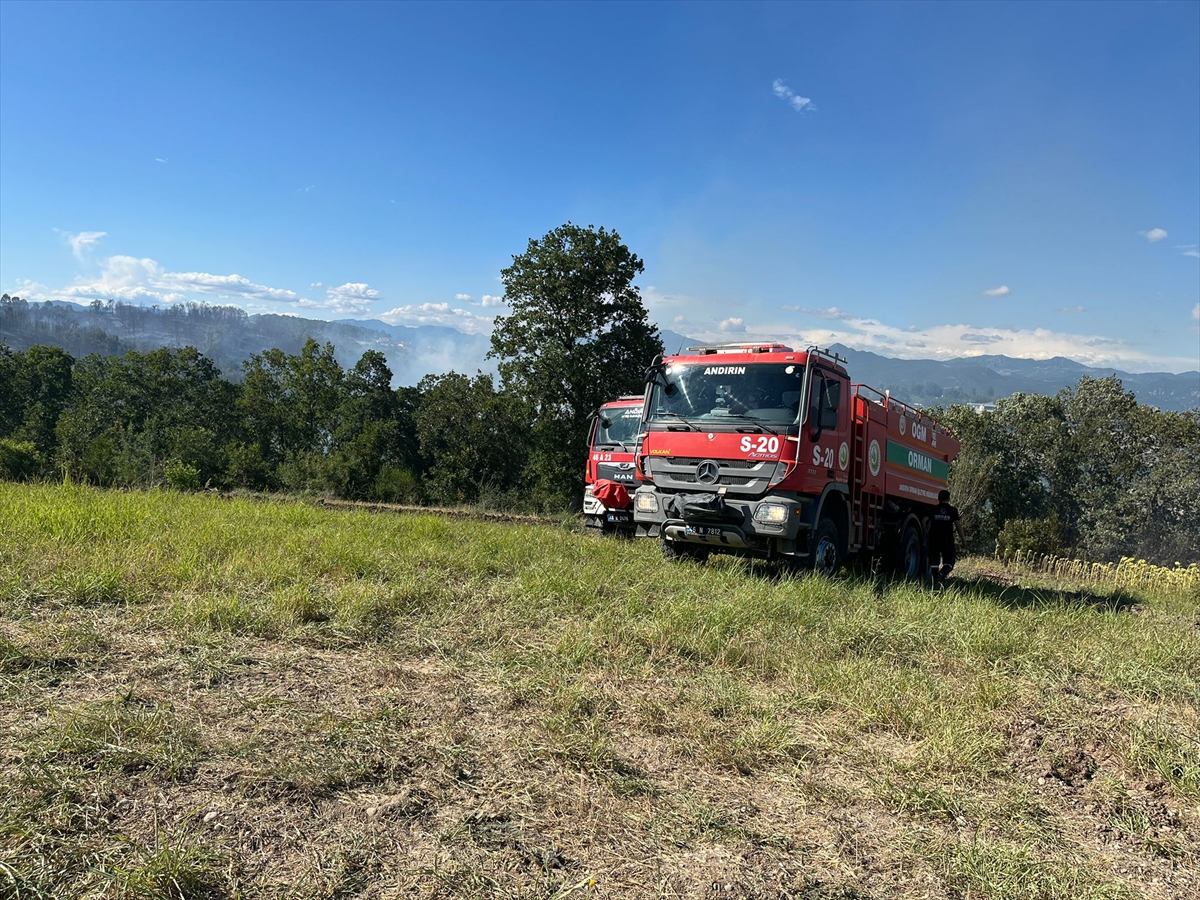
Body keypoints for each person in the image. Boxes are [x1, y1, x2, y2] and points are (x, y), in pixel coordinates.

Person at [927, 488, 965, 580]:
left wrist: (926, 532)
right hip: (947, 540)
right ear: (948, 499)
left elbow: (924, 520)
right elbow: (958, 526)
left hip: (934, 539)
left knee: (934, 563)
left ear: (938, 498)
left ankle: (934, 581)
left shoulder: (933, 509)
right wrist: (963, 540)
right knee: (949, 562)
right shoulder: (953, 510)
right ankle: (942, 575)